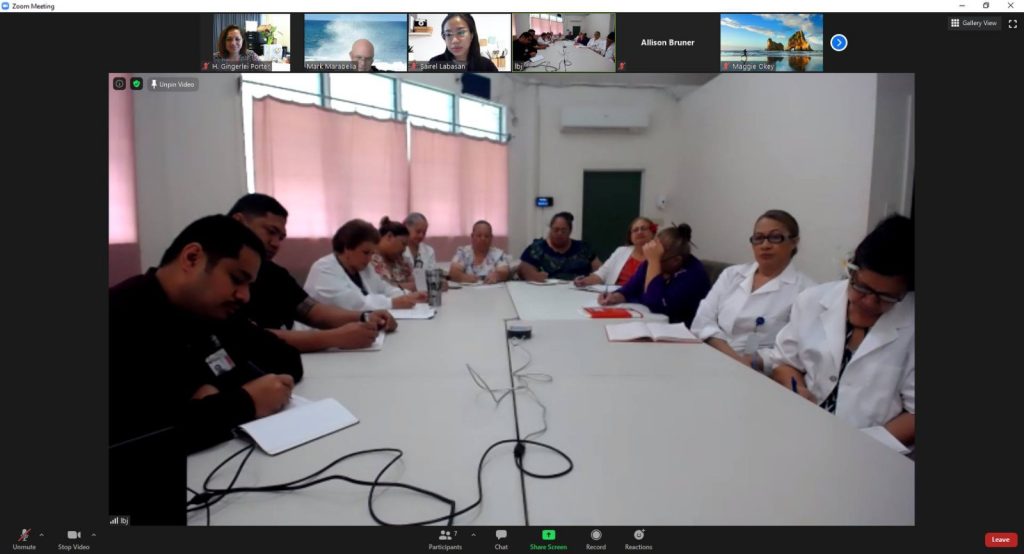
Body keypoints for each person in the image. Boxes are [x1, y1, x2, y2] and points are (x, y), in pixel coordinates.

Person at [110, 215, 302, 522]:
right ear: (192, 257)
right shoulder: (120, 318)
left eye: (249, 285)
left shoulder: (214, 311)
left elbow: (287, 359)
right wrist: (244, 402)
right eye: (237, 279)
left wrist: (211, 391)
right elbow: (136, 441)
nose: (244, 295)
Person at [766, 215, 915, 446]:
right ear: (852, 271)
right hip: (803, 430)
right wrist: (798, 391)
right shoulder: (812, 301)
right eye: (862, 287)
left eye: (885, 297)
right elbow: (784, 363)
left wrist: (860, 445)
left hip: (873, 450)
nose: (868, 302)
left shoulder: (912, 324)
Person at [229, 194, 395, 353]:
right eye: (270, 231)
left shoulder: (273, 273)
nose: (275, 243)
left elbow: (313, 311)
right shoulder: (216, 273)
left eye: (281, 237)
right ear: (238, 221)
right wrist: (333, 338)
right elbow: (244, 336)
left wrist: (364, 317)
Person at [691, 210, 816, 372]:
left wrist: (748, 363)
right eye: (758, 238)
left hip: (760, 373)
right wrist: (732, 359)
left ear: (794, 242)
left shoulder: (807, 291)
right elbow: (702, 320)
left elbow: (795, 350)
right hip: (712, 356)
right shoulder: (732, 274)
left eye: (775, 237)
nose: (765, 245)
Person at [598, 224, 711, 326]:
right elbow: (631, 288)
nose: (648, 262)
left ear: (676, 260)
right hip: (653, 323)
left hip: (683, 332)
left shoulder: (694, 275)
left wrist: (654, 261)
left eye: (656, 258)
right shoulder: (654, 260)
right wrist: (616, 296)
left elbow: (655, 304)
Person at [304, 219, 427, 311]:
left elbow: (385, 289)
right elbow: (354, 303)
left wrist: (410, 296)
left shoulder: (363, 267)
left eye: (372, 253)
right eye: (366, 252)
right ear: (347, 247)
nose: (370, 259)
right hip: (322, 337)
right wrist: (392, 303)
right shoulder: (323, 269)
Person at [574, 217, 656, 287]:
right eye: (635, 230)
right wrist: (585, 281)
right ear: (630, 236)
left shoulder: (659, 253)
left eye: (643, 228)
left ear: (652, 233)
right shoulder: (621, 251)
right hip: (614, 297)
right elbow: (602, 273)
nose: (639, 232)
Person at [518, 212, 601, 281]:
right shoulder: (537, 248)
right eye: (556, 230)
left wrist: (591, 279)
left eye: (563, 230)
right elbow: (523, 269)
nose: (559, 234)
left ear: (570, 231)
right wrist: (535, 276)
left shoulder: (584, 248)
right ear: (550, 229)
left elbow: (601, 271)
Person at [429, 13, 499, 72]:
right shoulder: (434, 63)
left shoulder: (487, 66)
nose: (454, 41)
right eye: (448, 34)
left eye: (461, 32)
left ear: (471, 35)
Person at [371, 217, 416, 290]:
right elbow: (375, 290)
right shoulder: (368, 260)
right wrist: (403, 287)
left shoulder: (403, 262)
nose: (404, 249)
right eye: (403, 244)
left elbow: (415, 284)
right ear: (389, 236)